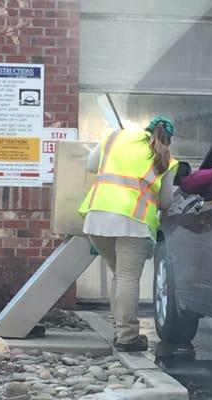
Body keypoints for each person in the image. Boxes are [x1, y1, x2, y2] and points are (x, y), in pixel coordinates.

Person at [79, 116, 178, 352]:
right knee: (127, 278)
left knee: (120, 277)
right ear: (169, 139)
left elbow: (91, 165)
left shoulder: (114, 137)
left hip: (97, 218)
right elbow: (165, 202)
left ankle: (121, 331)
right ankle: (127, 337)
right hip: (132, 221)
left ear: (147, 129)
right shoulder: (166, 159)